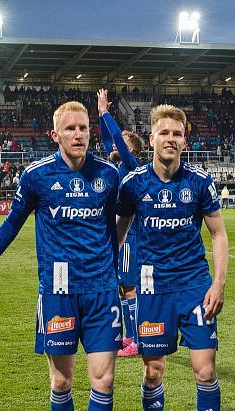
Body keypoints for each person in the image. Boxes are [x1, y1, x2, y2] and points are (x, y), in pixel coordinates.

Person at [0, 101, 125, 411]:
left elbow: (119, 227)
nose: (78, 134)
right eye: (70, 128)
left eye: (84, 128)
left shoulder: (108, 176)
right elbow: (10, 226)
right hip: (57, 294)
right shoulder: (37, 176)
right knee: (61, 380)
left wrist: (118, 272)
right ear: (55, 135)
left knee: (103, 380)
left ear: (91, 132)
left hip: (100, 292)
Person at [116, 104, 230, 411]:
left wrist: (219, 282)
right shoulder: (133, 184)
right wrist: (104, 276)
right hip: (152, 289)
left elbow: (218, 234)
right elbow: (117, 233)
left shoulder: (200, 182)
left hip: (195, 287)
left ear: (185, 139)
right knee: (153, 371)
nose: (170, 139)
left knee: (206, 370)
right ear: (152, 138)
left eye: (177, 134)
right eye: (163, 133)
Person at [97, 88, 145, 357]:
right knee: (121, 287)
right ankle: (130, 336)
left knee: (130, 287)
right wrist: (100, 113)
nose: (114, 146)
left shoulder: (130, 164)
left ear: (131, 149)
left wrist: (107, 113)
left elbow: (114, 137)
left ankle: (138, 340)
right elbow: (107, 138)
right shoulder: (116, 163)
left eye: (121, 143)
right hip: (116, 232)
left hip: (130, 235)